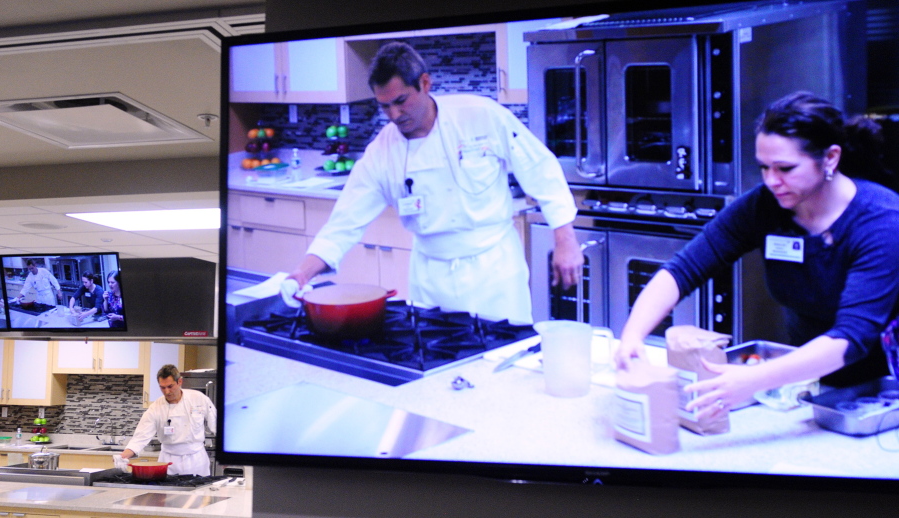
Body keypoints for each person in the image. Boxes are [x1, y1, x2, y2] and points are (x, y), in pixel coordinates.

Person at [614, 91, 899, 416]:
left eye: (785, 168)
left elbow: (852, 336)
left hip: (881, 391)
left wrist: (755, 379)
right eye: (764, 167)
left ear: (830, 158)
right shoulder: (765, 206)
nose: (771, 181)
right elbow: (682, 270)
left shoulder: (881, 222)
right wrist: (633, 334)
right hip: (806, 380)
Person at [280, 41, 583, 323]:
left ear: (425, 83)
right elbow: (343, 224)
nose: (394, 115)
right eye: (384, 106)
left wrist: (565, 240)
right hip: (429, 279)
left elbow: (540, 168)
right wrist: (301, 274)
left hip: (495, 273)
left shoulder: (480, 115)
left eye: (401, 101)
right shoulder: (381, 153)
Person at [114, 364, 217, 476]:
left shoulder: (199, 399)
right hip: (168, 461)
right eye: (162, 387)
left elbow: (217, 425)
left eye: (170, 386)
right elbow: (141, 436)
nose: (167, 392)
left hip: (196, 460)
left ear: (180, 382)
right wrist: (123, 456)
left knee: (199, 492)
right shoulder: (156, 407)